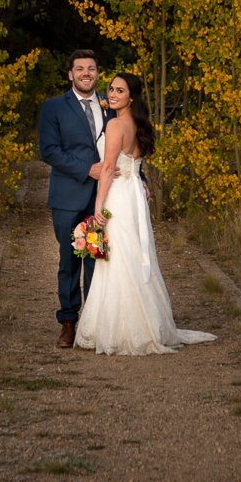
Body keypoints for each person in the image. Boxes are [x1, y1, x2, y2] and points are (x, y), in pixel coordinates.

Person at [74, 72, 216, 356]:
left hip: (118, 196)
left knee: (118, 260)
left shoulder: (115, 125)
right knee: (133, 257)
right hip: (134, 194)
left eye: (120, 91)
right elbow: (134, 165)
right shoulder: (138, 125)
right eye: (111, 89)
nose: (112, 94)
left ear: (131, 97)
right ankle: (145, 322)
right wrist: (141, 184)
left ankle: (124, 330)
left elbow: (108, 168)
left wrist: (98, 206)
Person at [36, 49, 108, 349]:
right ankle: (68, 322)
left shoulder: (111, 106)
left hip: (101, 199)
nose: (86, 73)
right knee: (69, 261)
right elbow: (49, 150)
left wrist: (140, 181)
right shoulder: (54, 108)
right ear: (70, 74)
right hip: (68, 196)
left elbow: (125, 149)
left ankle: (91, 324)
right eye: (80, 68)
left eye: (91, 68)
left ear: (97, 73)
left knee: (95, 259)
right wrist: (86, 169)